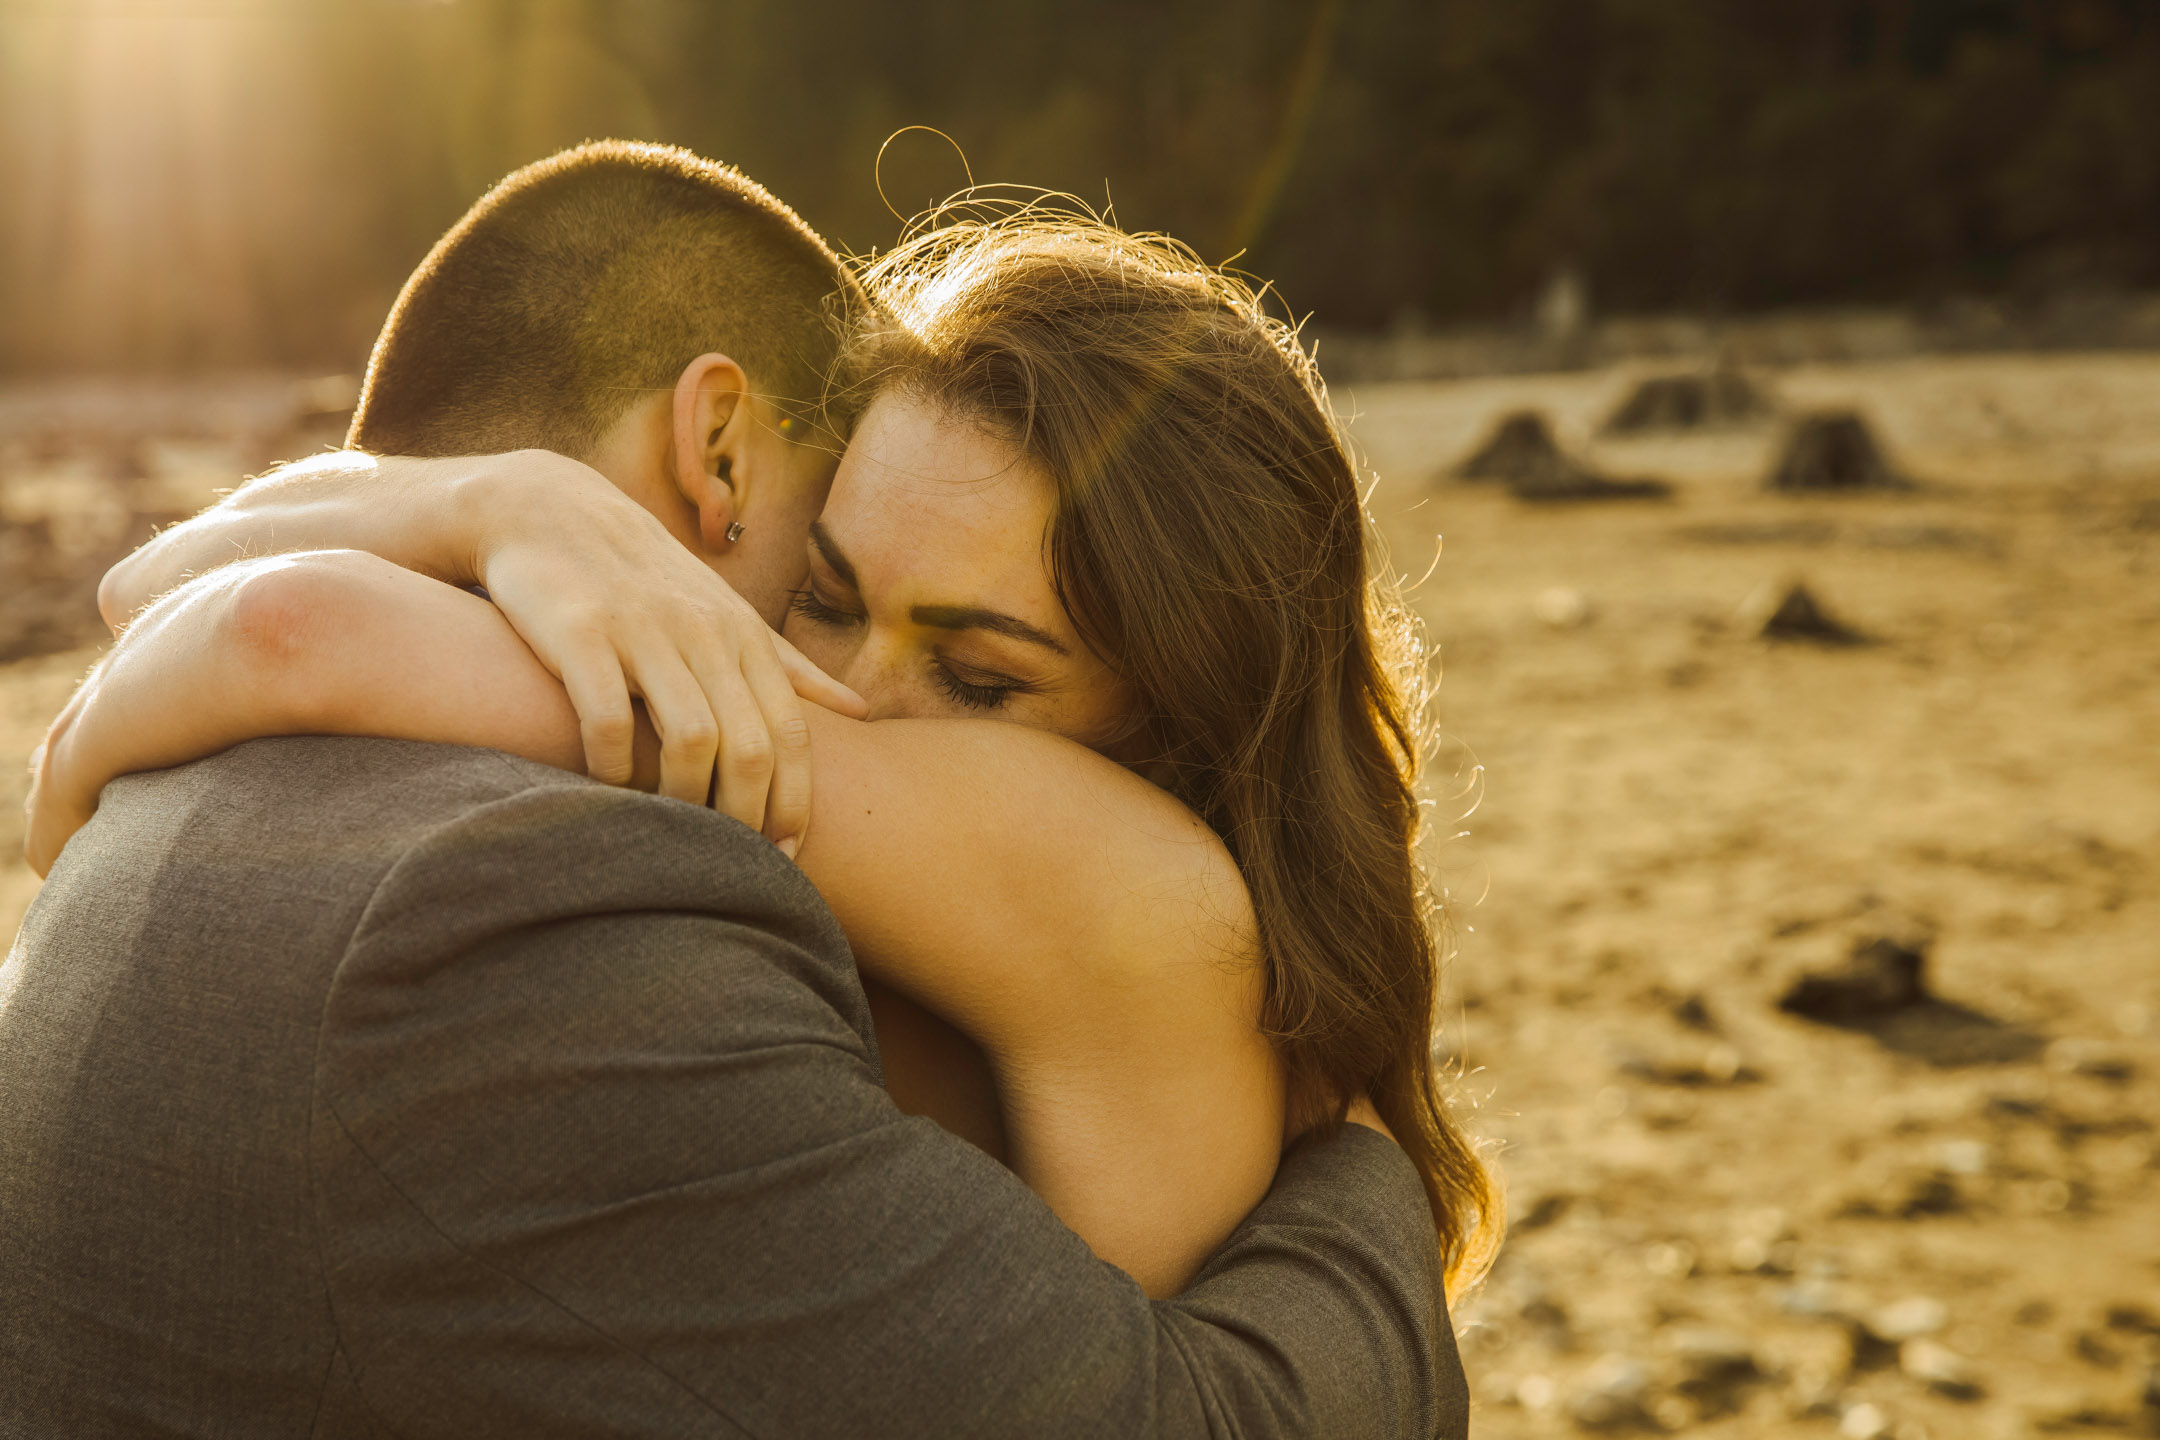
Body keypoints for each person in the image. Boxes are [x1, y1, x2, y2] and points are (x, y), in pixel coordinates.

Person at [12, 161, 1484, 1430]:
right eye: (822, 598)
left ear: (1188, 749)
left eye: (982, 684)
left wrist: (458, 527)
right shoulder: (545, 903)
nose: (845, 703)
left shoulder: (1128, 910)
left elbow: (247, 612)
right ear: (718, 457)